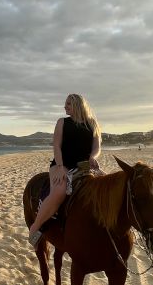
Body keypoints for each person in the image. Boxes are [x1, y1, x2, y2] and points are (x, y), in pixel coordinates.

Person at [28, 94, 102, 246]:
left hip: (83, 165)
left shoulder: (92, 123)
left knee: (104, 185)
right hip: (62, 164)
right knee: (60, 191)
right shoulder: (62, 122)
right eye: (65, 104)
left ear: (77, 105)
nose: (65, 106)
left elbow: (97, 147)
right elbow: (56, 146)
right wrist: (61, 167)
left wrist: (92, 157)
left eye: (68, 104)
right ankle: (35, 227)